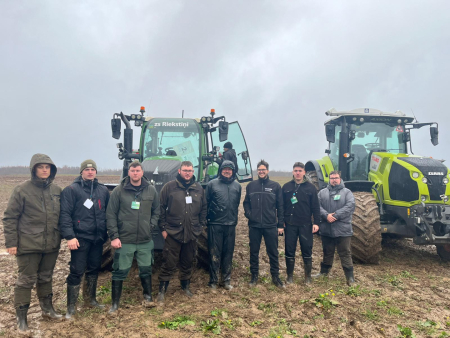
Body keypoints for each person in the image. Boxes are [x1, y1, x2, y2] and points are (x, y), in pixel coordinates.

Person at [3, 154, 62, 332]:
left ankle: (47, 309)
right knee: (26, 280)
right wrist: (11, 243)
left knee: (46, 277)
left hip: (51, 243)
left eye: (48, 167)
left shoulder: (57, 191)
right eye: (41, 166)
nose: (45, 170)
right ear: (33, 169)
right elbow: (10, 217)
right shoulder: (22, 190)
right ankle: (22, 318)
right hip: (28, 244)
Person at [106, 161, 160, 312]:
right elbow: (110, 215)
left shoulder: (151, 190)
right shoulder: (118, 191)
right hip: (125, 239)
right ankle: (115, 304)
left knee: (146, 269)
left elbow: (157, 211)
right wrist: (114, 236)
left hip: (145, 239)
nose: (135, 173)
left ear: (142, 172)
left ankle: (148, 297)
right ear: (128, 172)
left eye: (138, 170)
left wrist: (151, 226)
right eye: (132, 170)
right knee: (120, 270)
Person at [59, 159, 110, 319]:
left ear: (96, 172)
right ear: (81, 172)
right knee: (76, 271)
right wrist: (70, 236)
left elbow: (108, 213)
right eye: (87, 169)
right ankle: (71, 308)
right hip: (80, 238)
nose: (90, 172)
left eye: (93, 169)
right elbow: (65, 215)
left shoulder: (102, 190)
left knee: (94, 268)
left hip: (97, 237)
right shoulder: (72, 190)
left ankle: (90, 299)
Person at [157, 161, 207, 302]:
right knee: (169, 261)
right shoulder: (169, 187)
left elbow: (204, 209)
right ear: (179, 171)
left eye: (190, 171)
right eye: (185, 170)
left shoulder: (198, 188)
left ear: (193, 172)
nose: (187, 173)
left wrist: (200, 227)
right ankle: (162, 290)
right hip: (173, 232)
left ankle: (185, 286)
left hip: (191, 232)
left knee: (188, 260)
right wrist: (163, 228)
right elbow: (160, 208)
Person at [243, 159, 284, 288]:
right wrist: (250, 215)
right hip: (254, 226)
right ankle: (254, 276)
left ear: (267, 171)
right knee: (254, 252)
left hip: (270, 225)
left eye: (263, 170)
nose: (261, 172)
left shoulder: (275, 186)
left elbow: (280, 207)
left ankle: (275, 277)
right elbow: (246, 203)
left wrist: (280, 224)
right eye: (259, 170)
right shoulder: (251, 186)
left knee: (273, 252)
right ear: (257, 171)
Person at [314, 171, 356, 286]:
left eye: (336, 178)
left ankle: (350, 278)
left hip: (343, 229)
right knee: (327, 252)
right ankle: (323, 273)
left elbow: (350, 206)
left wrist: (335, 215)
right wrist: (326, 215)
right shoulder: (322, 193)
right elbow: (317, 206)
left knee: (345, 252)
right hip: (327, 229)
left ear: (340, 179)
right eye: (332, 178)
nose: (334, 180)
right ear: (329, 179)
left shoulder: (347, 192)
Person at [282, 162, 320, 285]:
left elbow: (315, 207)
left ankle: (308, 277)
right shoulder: (287, 187)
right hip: (290, 224)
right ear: (293, 172)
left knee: (306, 250)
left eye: (300, 171)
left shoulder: (310, 188)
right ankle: (289, 277)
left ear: (304, 172)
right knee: (289, 250)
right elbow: (281, 206)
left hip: (306, 225)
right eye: (295, 171)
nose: (297, 173)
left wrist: (316, 223)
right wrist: (281, 221)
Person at [206, 160, 242, 290]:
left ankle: (226, 280)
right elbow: (207, 203)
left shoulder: (237, 186)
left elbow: (236, 203)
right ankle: (213, 281)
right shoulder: (212, 184)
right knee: (214, 253)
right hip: (215, 224)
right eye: (224, 169)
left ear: (233, 171)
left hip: (231, 224)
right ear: (220, 170)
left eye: (229, 169)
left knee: (228, 253)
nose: (227, 171)